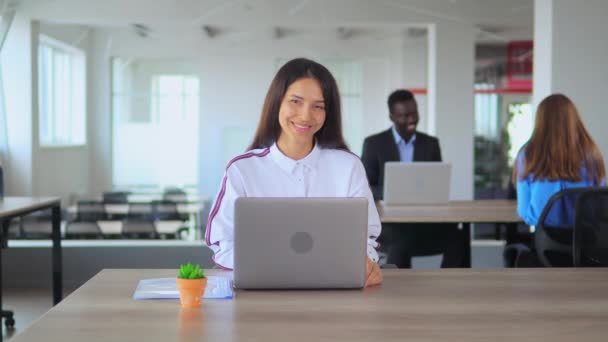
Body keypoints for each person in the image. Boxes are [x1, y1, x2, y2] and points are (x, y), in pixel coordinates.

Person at [205, 58, 382, 286]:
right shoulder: (242, 170)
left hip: (334, 291)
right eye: (296, 101)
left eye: (318, 106)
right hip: (261, 292)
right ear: (277, 102)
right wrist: (271, 266)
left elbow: (368, 237)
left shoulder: (348, 167)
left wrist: (365, 264)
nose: (306, 115)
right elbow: (220, 242)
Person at [361, 89, 465, 268]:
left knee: (458, 236)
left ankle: (451, 288)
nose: (411, 120)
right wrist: (392, 193)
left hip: (423, 222)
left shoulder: (431, 144)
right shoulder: (374, 144)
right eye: (404, 115)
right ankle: (398, 295)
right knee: (401, 241)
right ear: (392, 116)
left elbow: (436, 184)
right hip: (390, 224)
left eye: (414, 113)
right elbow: (366, 187)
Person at [513, 93, 606, 230]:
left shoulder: (528, 154)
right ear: (573, 120)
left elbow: (524, 212)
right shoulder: (591, 154)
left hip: (547, 245)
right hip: (587, 243)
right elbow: (601, 205)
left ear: (540, 121)